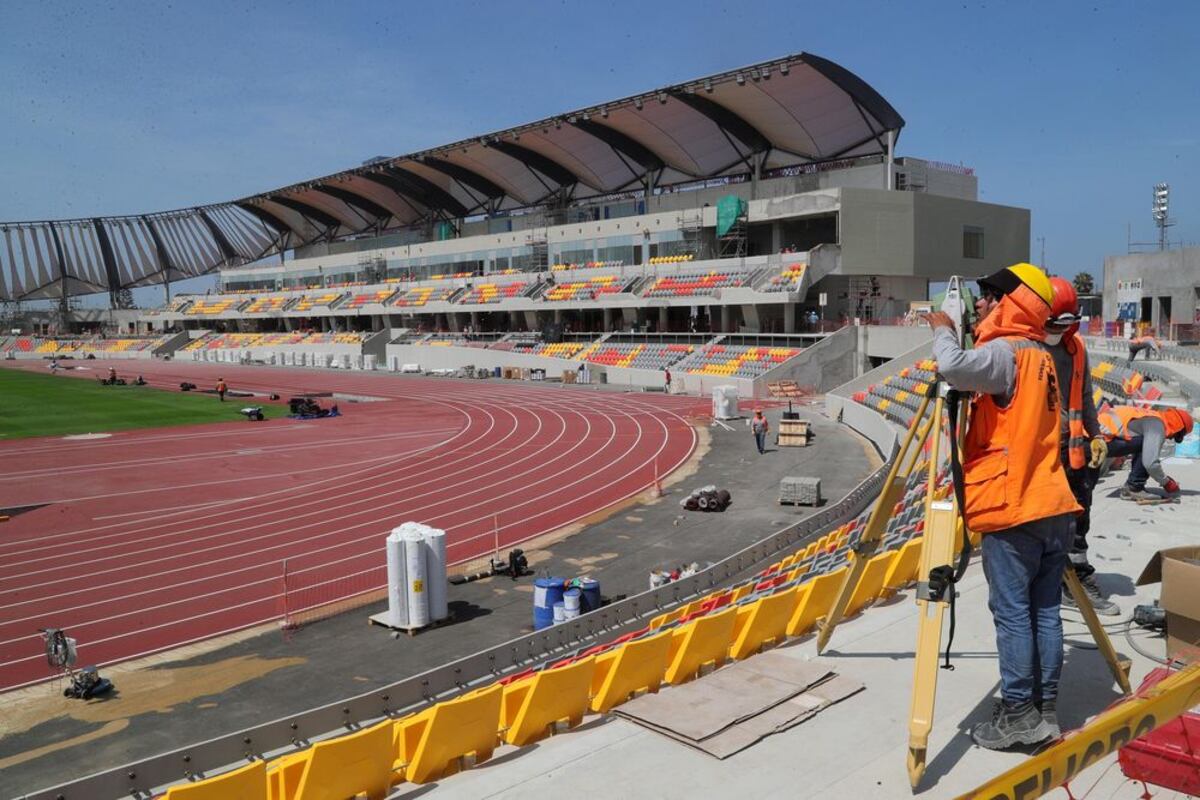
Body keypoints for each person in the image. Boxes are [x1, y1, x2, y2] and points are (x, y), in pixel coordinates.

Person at [923, 263, 1081, 749]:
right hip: (1053, 504)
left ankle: (1018, 715)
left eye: (990, 297)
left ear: (1011, 302)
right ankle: (1044, 708)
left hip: (1016, 512)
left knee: (1013, 614)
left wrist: (945, 331)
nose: (982, 305)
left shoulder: (1005, 352)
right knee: (1045, 611)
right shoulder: (1044, 355)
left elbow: (952, 367)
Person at [1044, 278, 1119, 616]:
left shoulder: (1076, 350)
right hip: (1039, 454)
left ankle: (1075, 583)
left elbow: (1085, 397)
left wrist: (1097, 433)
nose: (1059, 331)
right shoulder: (1025, 347)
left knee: (1077, 521)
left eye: (1065, 324)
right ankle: (1050, 581)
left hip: (1071, 450)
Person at [1098, 405, 1193, 500]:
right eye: (1176, 436)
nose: (1171, 438)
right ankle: (1134, 488)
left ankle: (1133, 486)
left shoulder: (1152, 416)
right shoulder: (1157, 425)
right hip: (1102, 440)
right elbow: (1151, 464)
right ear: (1178, 429)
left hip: (1096, 434)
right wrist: (1167, 482)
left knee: (1145, 442)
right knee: (1146, 444)